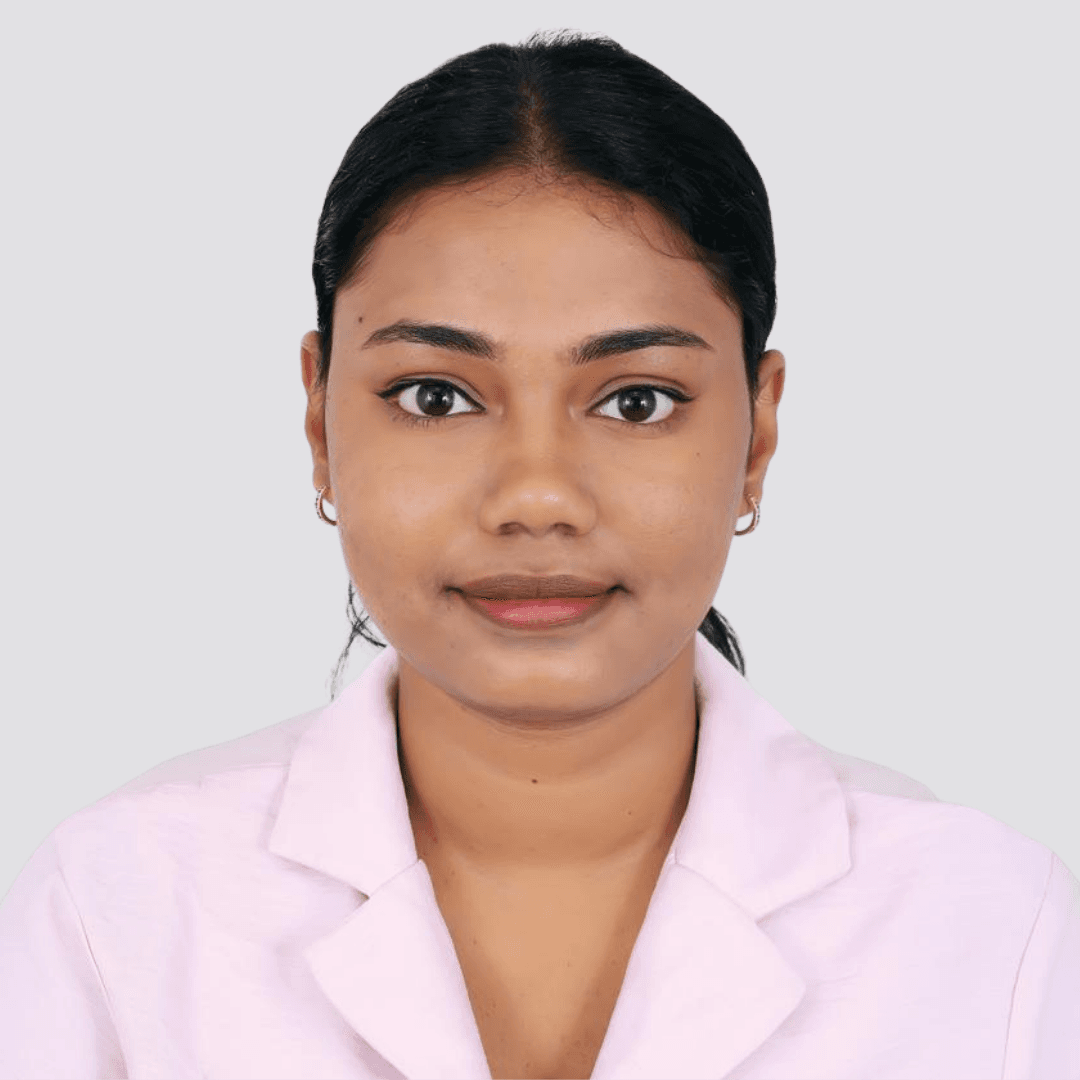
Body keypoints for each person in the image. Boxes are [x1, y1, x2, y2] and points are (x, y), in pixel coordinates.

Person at [1, 28, 1077, 1080]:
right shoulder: (118, 913)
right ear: (320, 422)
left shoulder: (990, 933)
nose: (537, 499)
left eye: (637, 400)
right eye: (435, 396)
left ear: (758, 435)